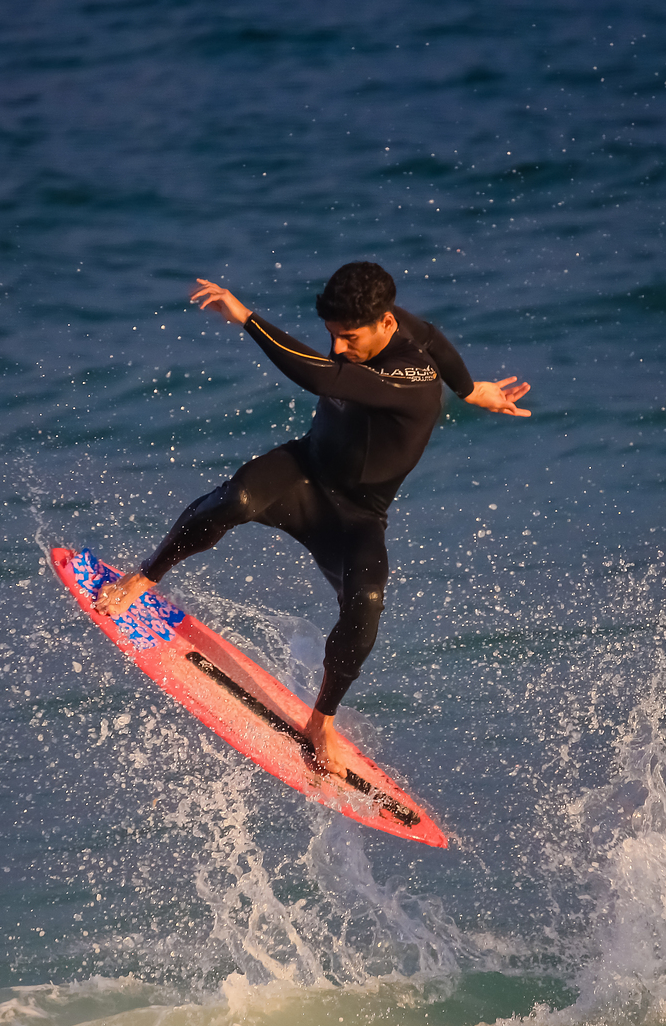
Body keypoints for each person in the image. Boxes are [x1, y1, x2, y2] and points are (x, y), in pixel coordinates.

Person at [96, 262, 529, 778]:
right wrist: (470, 388)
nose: (339, 347)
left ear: (385, 326)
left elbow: (320, 374)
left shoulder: (411, 379)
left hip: (357, 515)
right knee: (234, 499)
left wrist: (247, 319)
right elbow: (434, 336)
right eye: (333, 336)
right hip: (305, 470)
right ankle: (145, 576)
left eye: (348, 338)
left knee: (366, 603)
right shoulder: (397, 323)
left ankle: (320, 722)